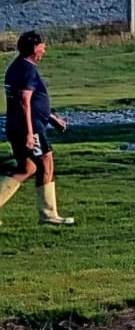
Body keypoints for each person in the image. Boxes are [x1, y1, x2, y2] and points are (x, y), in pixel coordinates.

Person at [1, 30, 74, 226]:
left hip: (15, 125)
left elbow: (30, 102)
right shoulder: (28, 70)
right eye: (42, 45)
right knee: (46, 163)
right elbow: (25, 101)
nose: (45, 48)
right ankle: (48, 215)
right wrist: (30, 133)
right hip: (29, 127)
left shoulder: (16, 67)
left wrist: (51, 117)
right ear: (34, 48)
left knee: (27, 167)